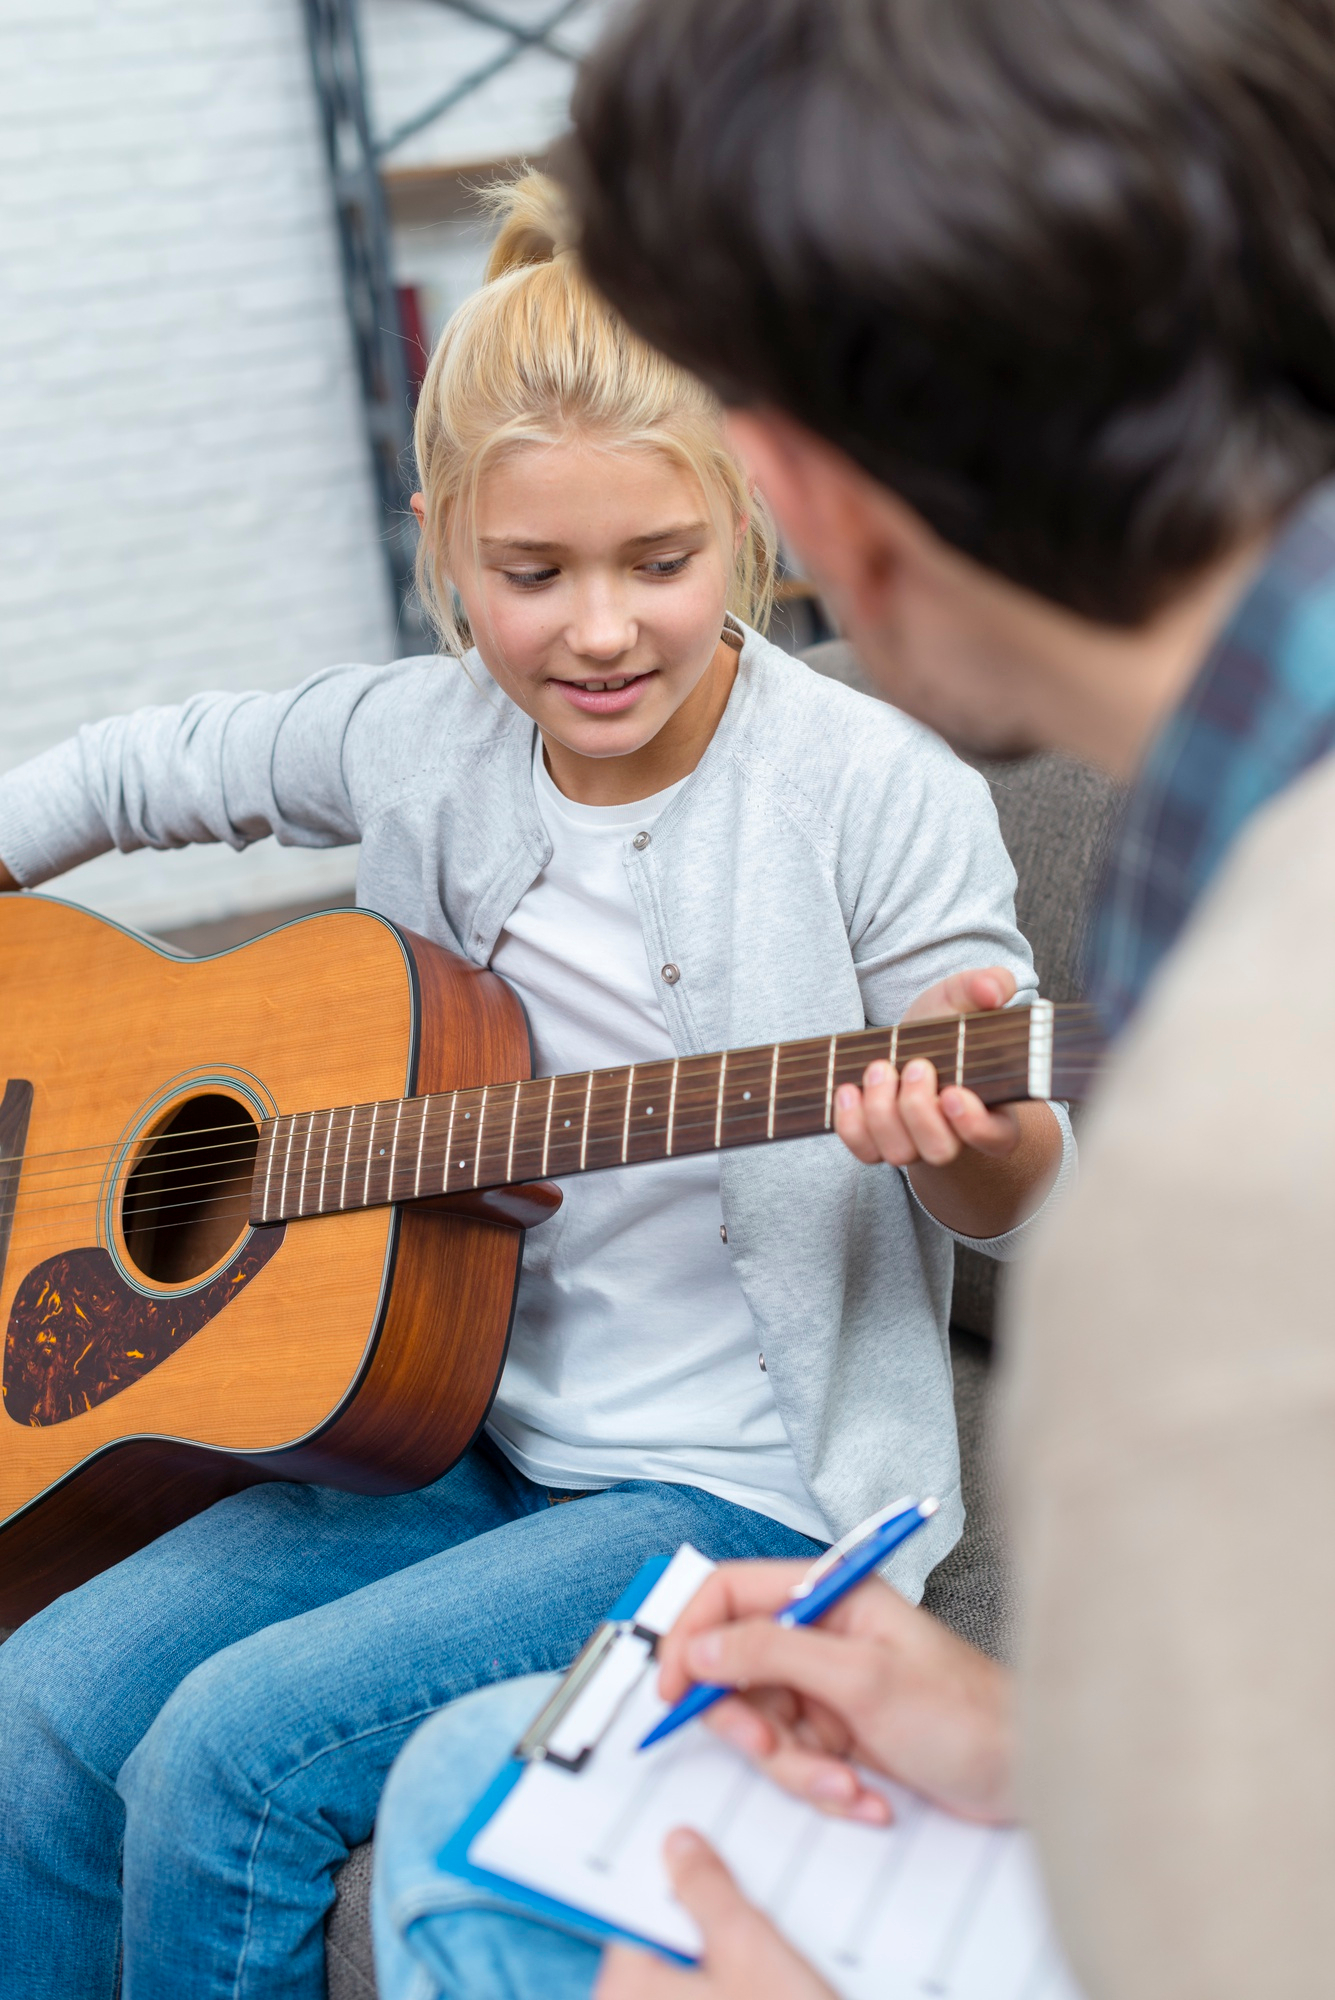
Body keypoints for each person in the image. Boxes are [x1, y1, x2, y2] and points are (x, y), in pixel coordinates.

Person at [0, 172, 1069, 2000]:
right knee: (38, 1704)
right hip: (459, 1434)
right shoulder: (416, 736)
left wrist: (961, 1151)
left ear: (745, 518)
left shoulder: (872, 789)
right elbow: (135, 769)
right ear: (441, 548)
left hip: (740, 1499)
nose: (597, 631)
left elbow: (1016, 1172)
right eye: (530, 573)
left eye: (659, 562)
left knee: (222, 1758)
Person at [372, 1, 1335, 1996]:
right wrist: (1018, 1751)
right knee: (480, 1761)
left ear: (790, 496)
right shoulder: (1208, 842)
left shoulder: (1236, 1136)